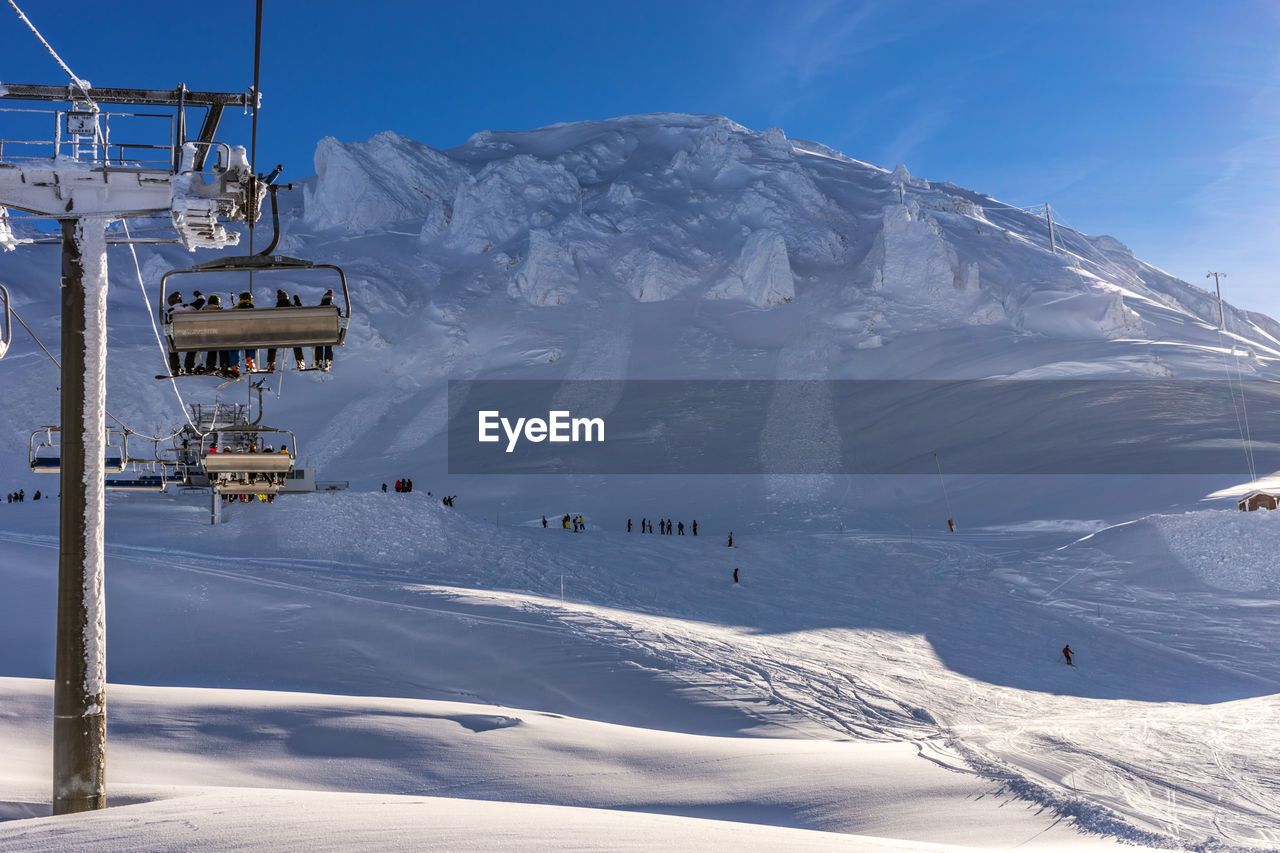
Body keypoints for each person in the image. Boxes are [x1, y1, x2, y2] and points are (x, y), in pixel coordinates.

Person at [202, 294, 237, 377]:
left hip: (206, 337)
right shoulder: (219, 310)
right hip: (218, 336)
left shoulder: (203, 311)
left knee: (212, 348)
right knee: (223, 346)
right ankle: (224, 365)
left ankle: (210, 366)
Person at [265, 288, 291, 371]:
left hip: (278, 334)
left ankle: (271, 363)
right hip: (291, 333)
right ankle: (300, 360)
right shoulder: (293, 308)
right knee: (298, 345)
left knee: (272, 345)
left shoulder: (275, 310)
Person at [234, 291, 257, 371]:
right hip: (249, 331)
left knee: (235, 348)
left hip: (238, 332)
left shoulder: (236, 309)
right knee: (251, 344)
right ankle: (249, 361)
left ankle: (235, 365)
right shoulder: (253, 309)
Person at [314, 289, 336, 370]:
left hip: (319, 333)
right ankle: (328, 360)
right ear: (331, 299)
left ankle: (319, 360)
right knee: (329, 343)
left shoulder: (317, 309)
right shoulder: (334, 308)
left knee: (319, 343)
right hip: (330, 333)